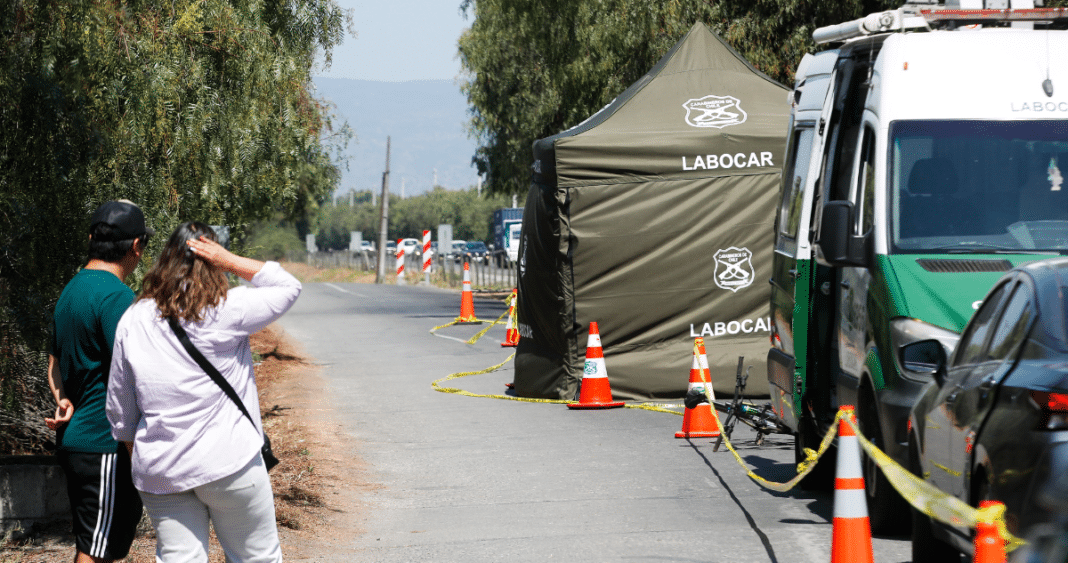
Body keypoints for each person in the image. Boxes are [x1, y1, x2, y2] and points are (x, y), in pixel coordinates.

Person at [106, 222, 301, 563]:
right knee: (255, 558)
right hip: (230, 462)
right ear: (213, 262)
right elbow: (288, 285)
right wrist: (230, 261)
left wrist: (143, 452)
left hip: (162, 469)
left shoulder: (133, 319)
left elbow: (120, 409)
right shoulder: (225, 308)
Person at [47, 199, 153, 563]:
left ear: (92, 237)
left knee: (96, 546)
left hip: (77, 440)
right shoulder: (118, 299)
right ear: (136, 246)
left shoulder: (70, 291)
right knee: (95, 554)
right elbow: (138, 376)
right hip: (105, 446)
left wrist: (63, 399)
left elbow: (54, 365)